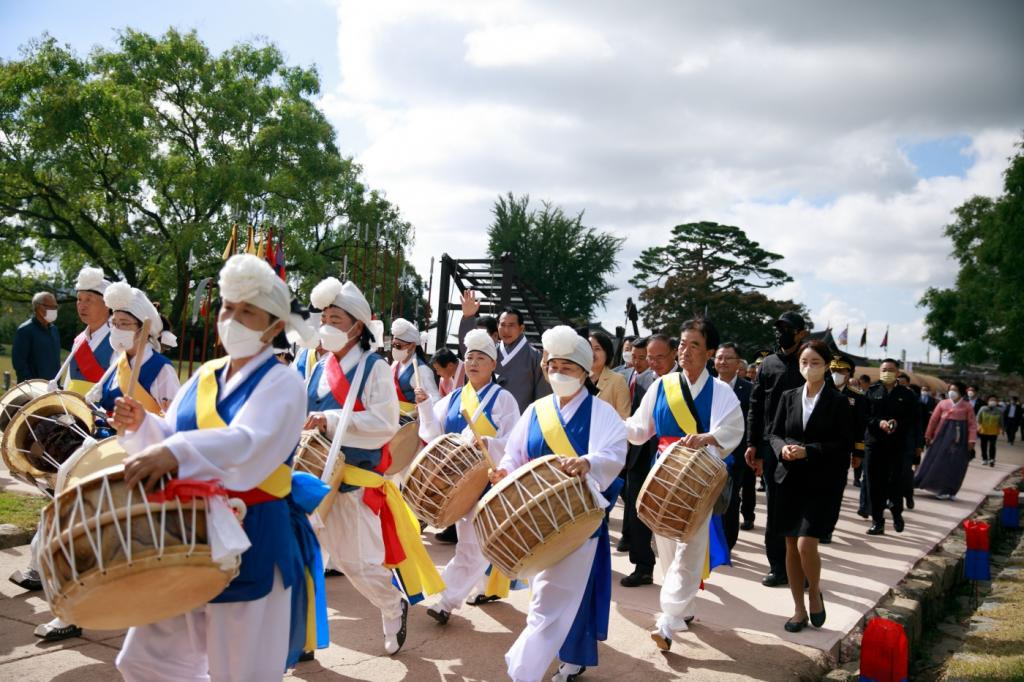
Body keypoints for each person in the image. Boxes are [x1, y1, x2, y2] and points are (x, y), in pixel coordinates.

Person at [110, 254, 322, 679]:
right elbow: (171, 436)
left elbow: (248, 444)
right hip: (187, 533)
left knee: (241, 672)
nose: (233, 319)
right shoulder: (206, 374)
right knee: (145, 660)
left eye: (248, 312)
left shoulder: (284, 383)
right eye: (228, 307)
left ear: (275, 326)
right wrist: (144, 426)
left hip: (253, 532)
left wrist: (177, 451)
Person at [303, 278, 442, 655]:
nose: (327, 324)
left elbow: (383, 424)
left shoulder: (373, 367)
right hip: (311, 476)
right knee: (299, 557)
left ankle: (391, 604)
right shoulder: (318, 367)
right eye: (325, 317)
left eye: (336, 318)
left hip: (354, 480)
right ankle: (302, 638)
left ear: (357, 325)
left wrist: (328, 420)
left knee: (357, 564)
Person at [491, 325, 626, 682]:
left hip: (576, 524)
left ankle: (522, 672)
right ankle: (571, 657)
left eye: (568, 367)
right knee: (553, 599)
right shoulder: (535, 410)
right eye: (554, 365)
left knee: (547, 604)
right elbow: (513, 455)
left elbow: (614, 454)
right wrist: (503, 473)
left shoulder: (602, 413)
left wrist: (588, 462)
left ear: (585, 371)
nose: (559, 372)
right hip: (535, 522)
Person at [625, 318, 744, 651]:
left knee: (689, 548)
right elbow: (638, 430)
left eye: (694, 345)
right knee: (665, 546)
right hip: (662, 477)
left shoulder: (720, 392)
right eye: (681, 343)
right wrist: (612, 422)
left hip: (698, 480)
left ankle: (666, 618)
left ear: (708, 352)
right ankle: (684, 608)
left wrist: (708, 437)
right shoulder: (664, 386)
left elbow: (732, 431)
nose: (685, 351)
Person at [416, 329, 520, 624]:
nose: (473, 363)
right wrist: (424, 405)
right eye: (469, 357)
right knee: (471, 544)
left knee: (473, 546)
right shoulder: (454, 398)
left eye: (481, 358)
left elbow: (515, 442)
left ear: (493, 365)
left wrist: (491, 444)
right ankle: (481, 587)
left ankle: (446, 599)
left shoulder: (504, 400)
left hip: (487, 480)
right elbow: (433, 434)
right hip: (457, 483)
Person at [768, 340, 852, 632]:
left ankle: (814, 590)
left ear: (826, 365)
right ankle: (798, 609)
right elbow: (775, 432)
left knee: (806, 542)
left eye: (815, 362)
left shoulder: (839, 402)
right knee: (790, 544)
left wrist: (810, 450)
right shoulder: (789, 396)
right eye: (804, 362)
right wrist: (783, 449)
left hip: (821, 481)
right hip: (789, 478)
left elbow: (843, 445)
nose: (808, 367)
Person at [744, 312, 808, 587]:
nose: (782, 333)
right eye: (779, 327)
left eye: (788, 329)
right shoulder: (768, 364)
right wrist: (752, 444)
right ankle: (777, 567)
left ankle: (802, 568)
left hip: (803, 447)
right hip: (772, 446)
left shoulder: (810, 362)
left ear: (801, 333)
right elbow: (755, 406)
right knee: (776, 508)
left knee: (802, 510)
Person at [86, 282, 181, 415]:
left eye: (124, 323)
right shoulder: (117, 359)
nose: (117, 329)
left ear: (143, 329)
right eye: (114, 323)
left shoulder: (161, 368)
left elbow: (174, 417)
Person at [617, 335, 659, 584]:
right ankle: (643, 565)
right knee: (636, 511)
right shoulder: (640, 380)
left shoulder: (679, 382)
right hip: (639, 455)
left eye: (653, 357)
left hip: (669, 456)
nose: (649, 362)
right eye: (643, 357)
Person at [863, 359, 918, 535]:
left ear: (897, 372)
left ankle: (896, 513)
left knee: (895, 482)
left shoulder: (907, 395)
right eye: (884, 369)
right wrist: (879, 423)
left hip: (897, 445)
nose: (887, 372)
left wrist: (897, 423)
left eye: (891, 370)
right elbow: (865, 416)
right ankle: (877, 521)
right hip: (874, 444)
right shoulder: (871, 392)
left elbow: (913, 419)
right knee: (874, 483)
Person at [823, 356, 868, 544]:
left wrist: (858, 454)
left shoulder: (857, 397)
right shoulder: (819, 390)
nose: (836, 374)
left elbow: (860, 428)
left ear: (849, 373)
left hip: (841, 452)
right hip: (815, 448)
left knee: (833, 492)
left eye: (841, 371)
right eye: (833, 369)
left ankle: (826, 529)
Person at [714, 342, 755, 547]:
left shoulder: (749, 390)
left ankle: (727, 544)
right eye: (719, 357)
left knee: (730, 500)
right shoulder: (706, 387)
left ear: (738, 363)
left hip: (736, 455)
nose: (722, 361)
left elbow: (753, 422)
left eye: (728, 358)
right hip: (708, 454)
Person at [915, 382, 978, 499]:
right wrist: (928, 435)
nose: (952, 392)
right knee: (938, 461)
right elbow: (933, 420)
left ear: (961, 392)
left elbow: (972, 425)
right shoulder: (942, 403)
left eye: (955, 390)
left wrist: (971, 440)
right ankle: (935, 486)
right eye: (950, 389)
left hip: (960, 437)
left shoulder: (967, 406)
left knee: (956, 463)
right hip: (941, 435)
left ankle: (950, 490)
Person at [57, 266, 114, 395]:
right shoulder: (79, 340)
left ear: (107, 304)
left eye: (89, 299)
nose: (82, 305)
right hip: (74, 410)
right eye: (79, 299)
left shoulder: (119, 341)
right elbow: (69, 383)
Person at [390, 317, 440, 417]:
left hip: (408, 422)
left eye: (398, 346)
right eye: (393, 345)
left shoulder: (422, 370)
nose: (395, 348)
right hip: (391, 417)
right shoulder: (395, 364)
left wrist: (422, 405)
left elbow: (435, 400)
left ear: (412, 346)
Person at [11, 292, 61, 382]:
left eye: (55, 307)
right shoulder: (25, 330)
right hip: (33, 389)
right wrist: (33, 385)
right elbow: (19, 364)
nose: (53, 310)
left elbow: (55, 361)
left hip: (52, 387)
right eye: (50, 306)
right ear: (38, 307)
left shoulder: (54, 330)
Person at [589, 331, 630, 419]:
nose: (592, 353)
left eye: (597, 349)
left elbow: (623, 417)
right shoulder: (578, 378)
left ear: (607, 352)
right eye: (589, 348)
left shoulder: (618, 380)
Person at [976, 396, 1003, 467]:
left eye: (994, 400)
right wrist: (978, 426)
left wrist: (1002, 429)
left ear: (997, 402)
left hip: (994, 431)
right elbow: (978, 419)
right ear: (987, 401)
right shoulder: (983, 408)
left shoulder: (999, 410)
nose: (992, 401)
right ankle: (984, 459)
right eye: (991, 400)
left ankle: (992, 459)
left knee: (992, 445)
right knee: (983, 445)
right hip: (983, 431)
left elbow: (1001, 421)